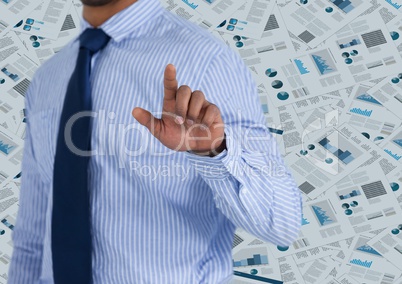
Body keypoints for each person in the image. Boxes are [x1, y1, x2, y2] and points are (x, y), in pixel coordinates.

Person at [8, 0, 303, 283]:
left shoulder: (208, 59)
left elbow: (282, 223)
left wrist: (213, 151)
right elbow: (32, 239)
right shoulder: (48, 77)